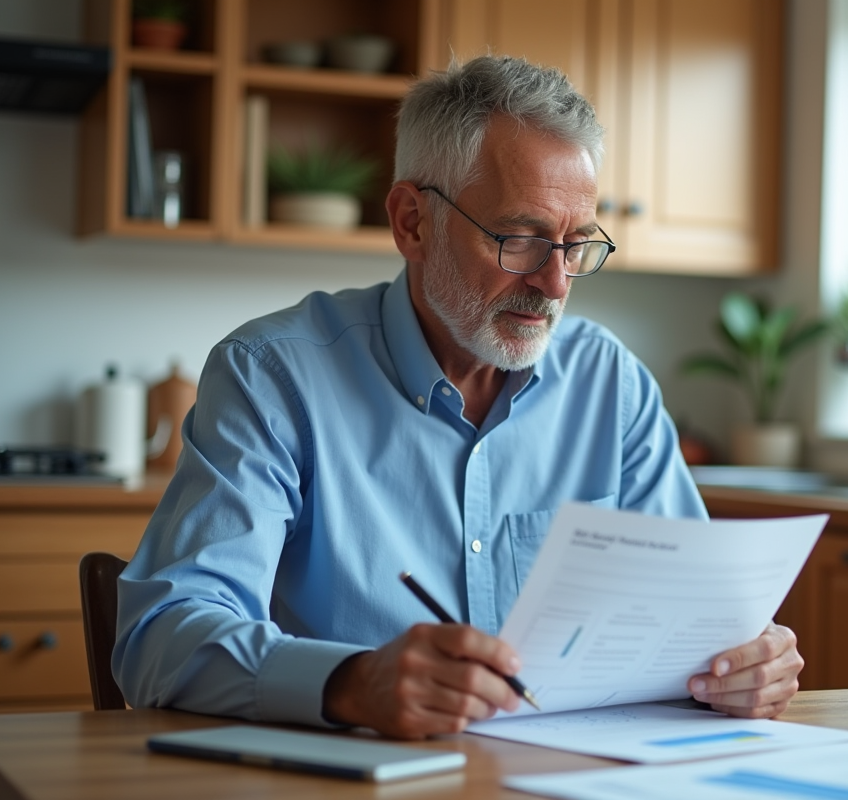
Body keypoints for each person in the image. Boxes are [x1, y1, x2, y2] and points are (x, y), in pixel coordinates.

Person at [114, 55, 804, 741]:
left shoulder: (611, 386)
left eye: (577, 245)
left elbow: (699, 623)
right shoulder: (272, 377)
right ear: (413, 221)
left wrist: (743, 663)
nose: (556, 283)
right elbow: (158, 641)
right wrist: (354, 683)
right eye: (522, 240)